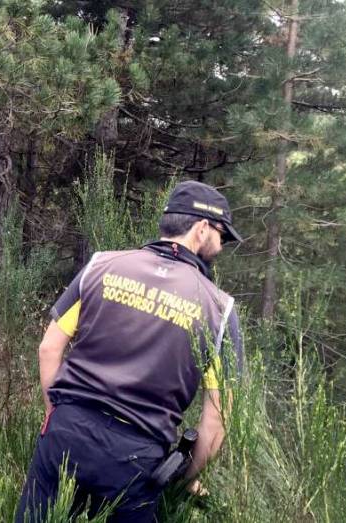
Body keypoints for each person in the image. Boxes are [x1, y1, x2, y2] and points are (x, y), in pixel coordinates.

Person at [16, 181, 244, 522]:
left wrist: (55, 418)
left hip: (65, 434)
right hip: (136, 459)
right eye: (221, 235)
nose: (222, 246)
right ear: (200, 229)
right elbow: (217, 417)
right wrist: (183, 477)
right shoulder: (219, 310)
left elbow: (49, 348)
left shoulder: (100, 266)